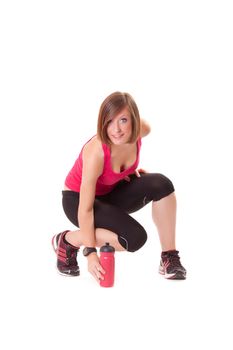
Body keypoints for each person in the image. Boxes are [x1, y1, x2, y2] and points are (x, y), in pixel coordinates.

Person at [52, 91, 186, 282]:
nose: (116, 129)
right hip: (77, 201)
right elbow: (86, 208)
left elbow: (133, 140)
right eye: (109, 122)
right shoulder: (96, 151)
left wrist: (126, 173)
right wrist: (90, 253)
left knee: (161, 184)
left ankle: (169, 258)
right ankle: (68, 241)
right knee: (134, 238)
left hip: (109, 193)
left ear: (134, 119)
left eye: (123, 120)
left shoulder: (142, 130)